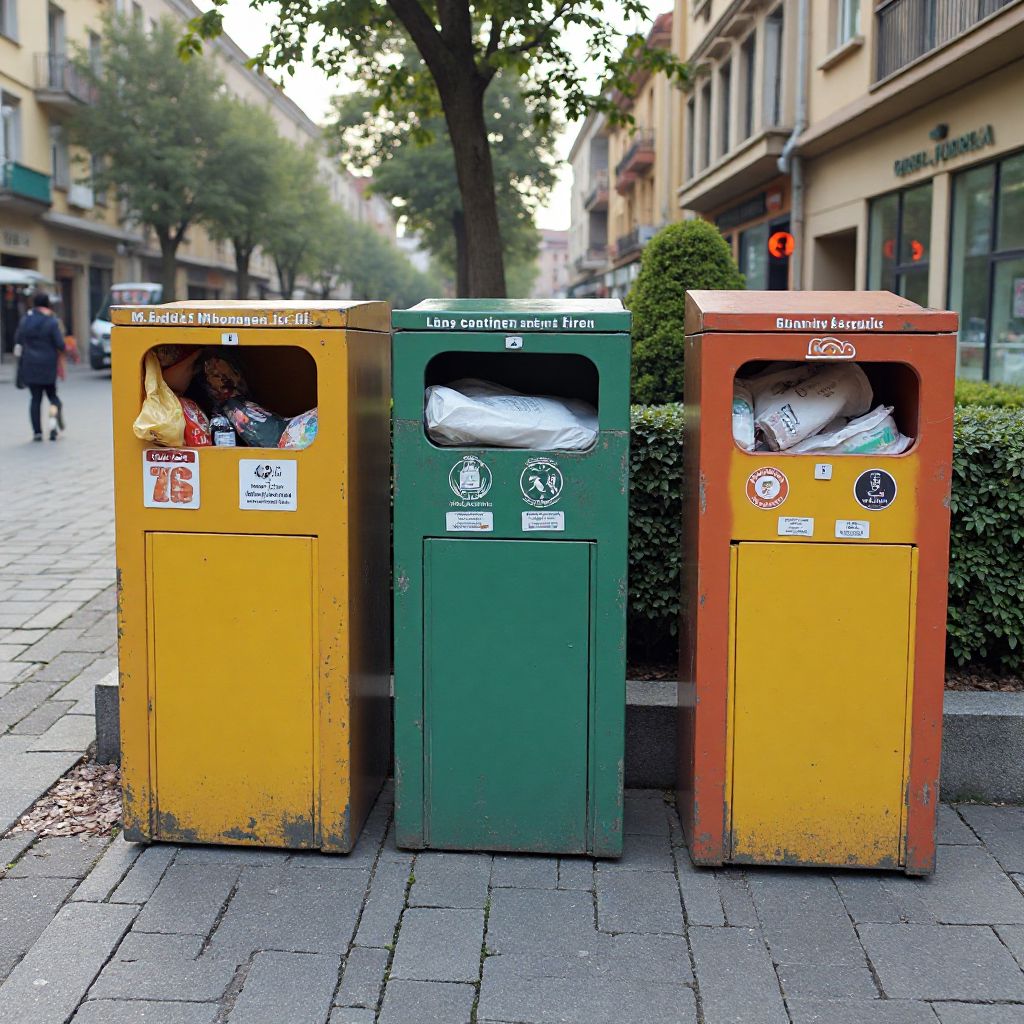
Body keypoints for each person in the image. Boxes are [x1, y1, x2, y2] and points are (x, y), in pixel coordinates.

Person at [15, 292, 66, 442]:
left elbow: (18, 339)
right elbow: (60, 344)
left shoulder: (25, 320)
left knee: (35, 399)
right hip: (48, 365)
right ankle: (52, 425)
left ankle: (37, 432)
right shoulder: (51, 321)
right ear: (47, 304)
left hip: (29, 364)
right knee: (53, 397)